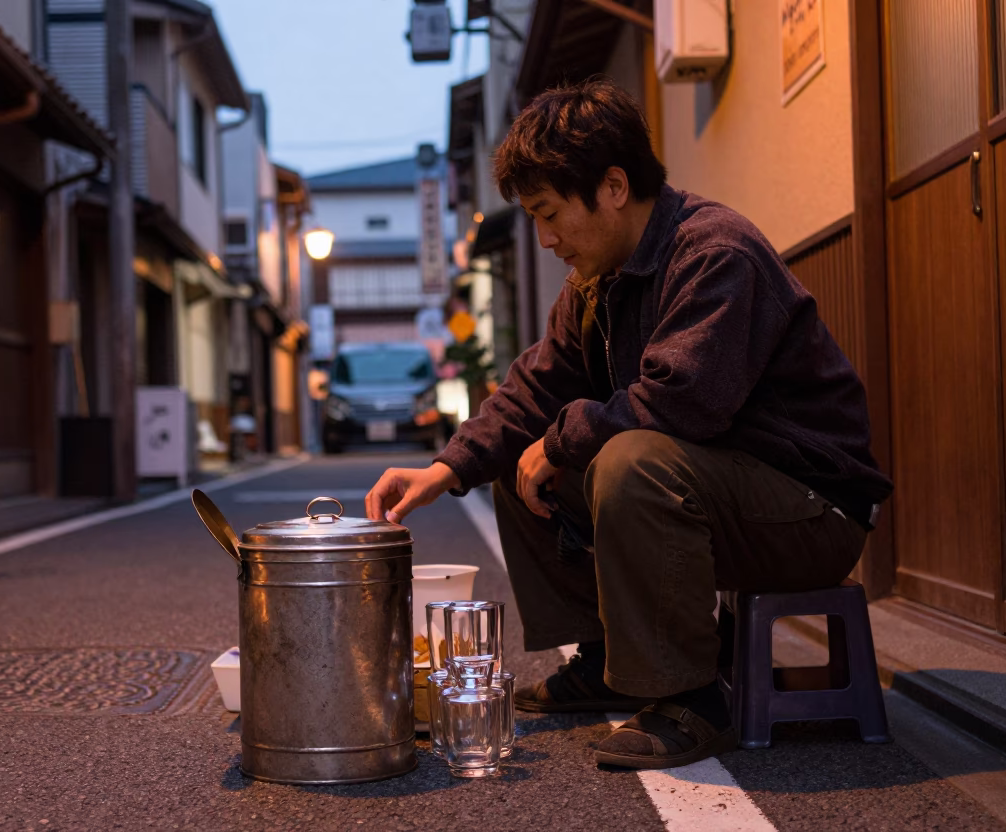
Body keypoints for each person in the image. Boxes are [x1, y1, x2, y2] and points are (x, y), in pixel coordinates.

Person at [364, 78, 892, 770]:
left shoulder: (714, 252)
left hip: (811, 509)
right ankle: (605, 655)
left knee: (627, 460)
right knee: (526, 459)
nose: (546, 238)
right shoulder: (597, 278)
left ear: (614, 186)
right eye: (534, 219)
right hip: (724, 492)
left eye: (551, 214)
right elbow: (536, 383)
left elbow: (684, 402)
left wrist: (562, 440)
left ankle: (689, 701)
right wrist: (446, 468)